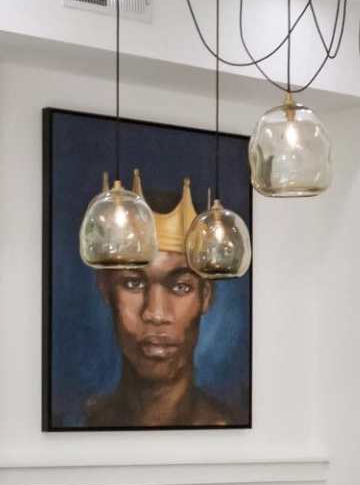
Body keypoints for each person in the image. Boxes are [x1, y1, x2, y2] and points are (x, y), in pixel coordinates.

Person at [82, 181, 243, 429]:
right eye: (133, 283)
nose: (156, 314)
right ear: (105, 289)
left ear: (206, 295)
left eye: (181, 287)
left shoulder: (227, 423)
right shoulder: (80, 418)